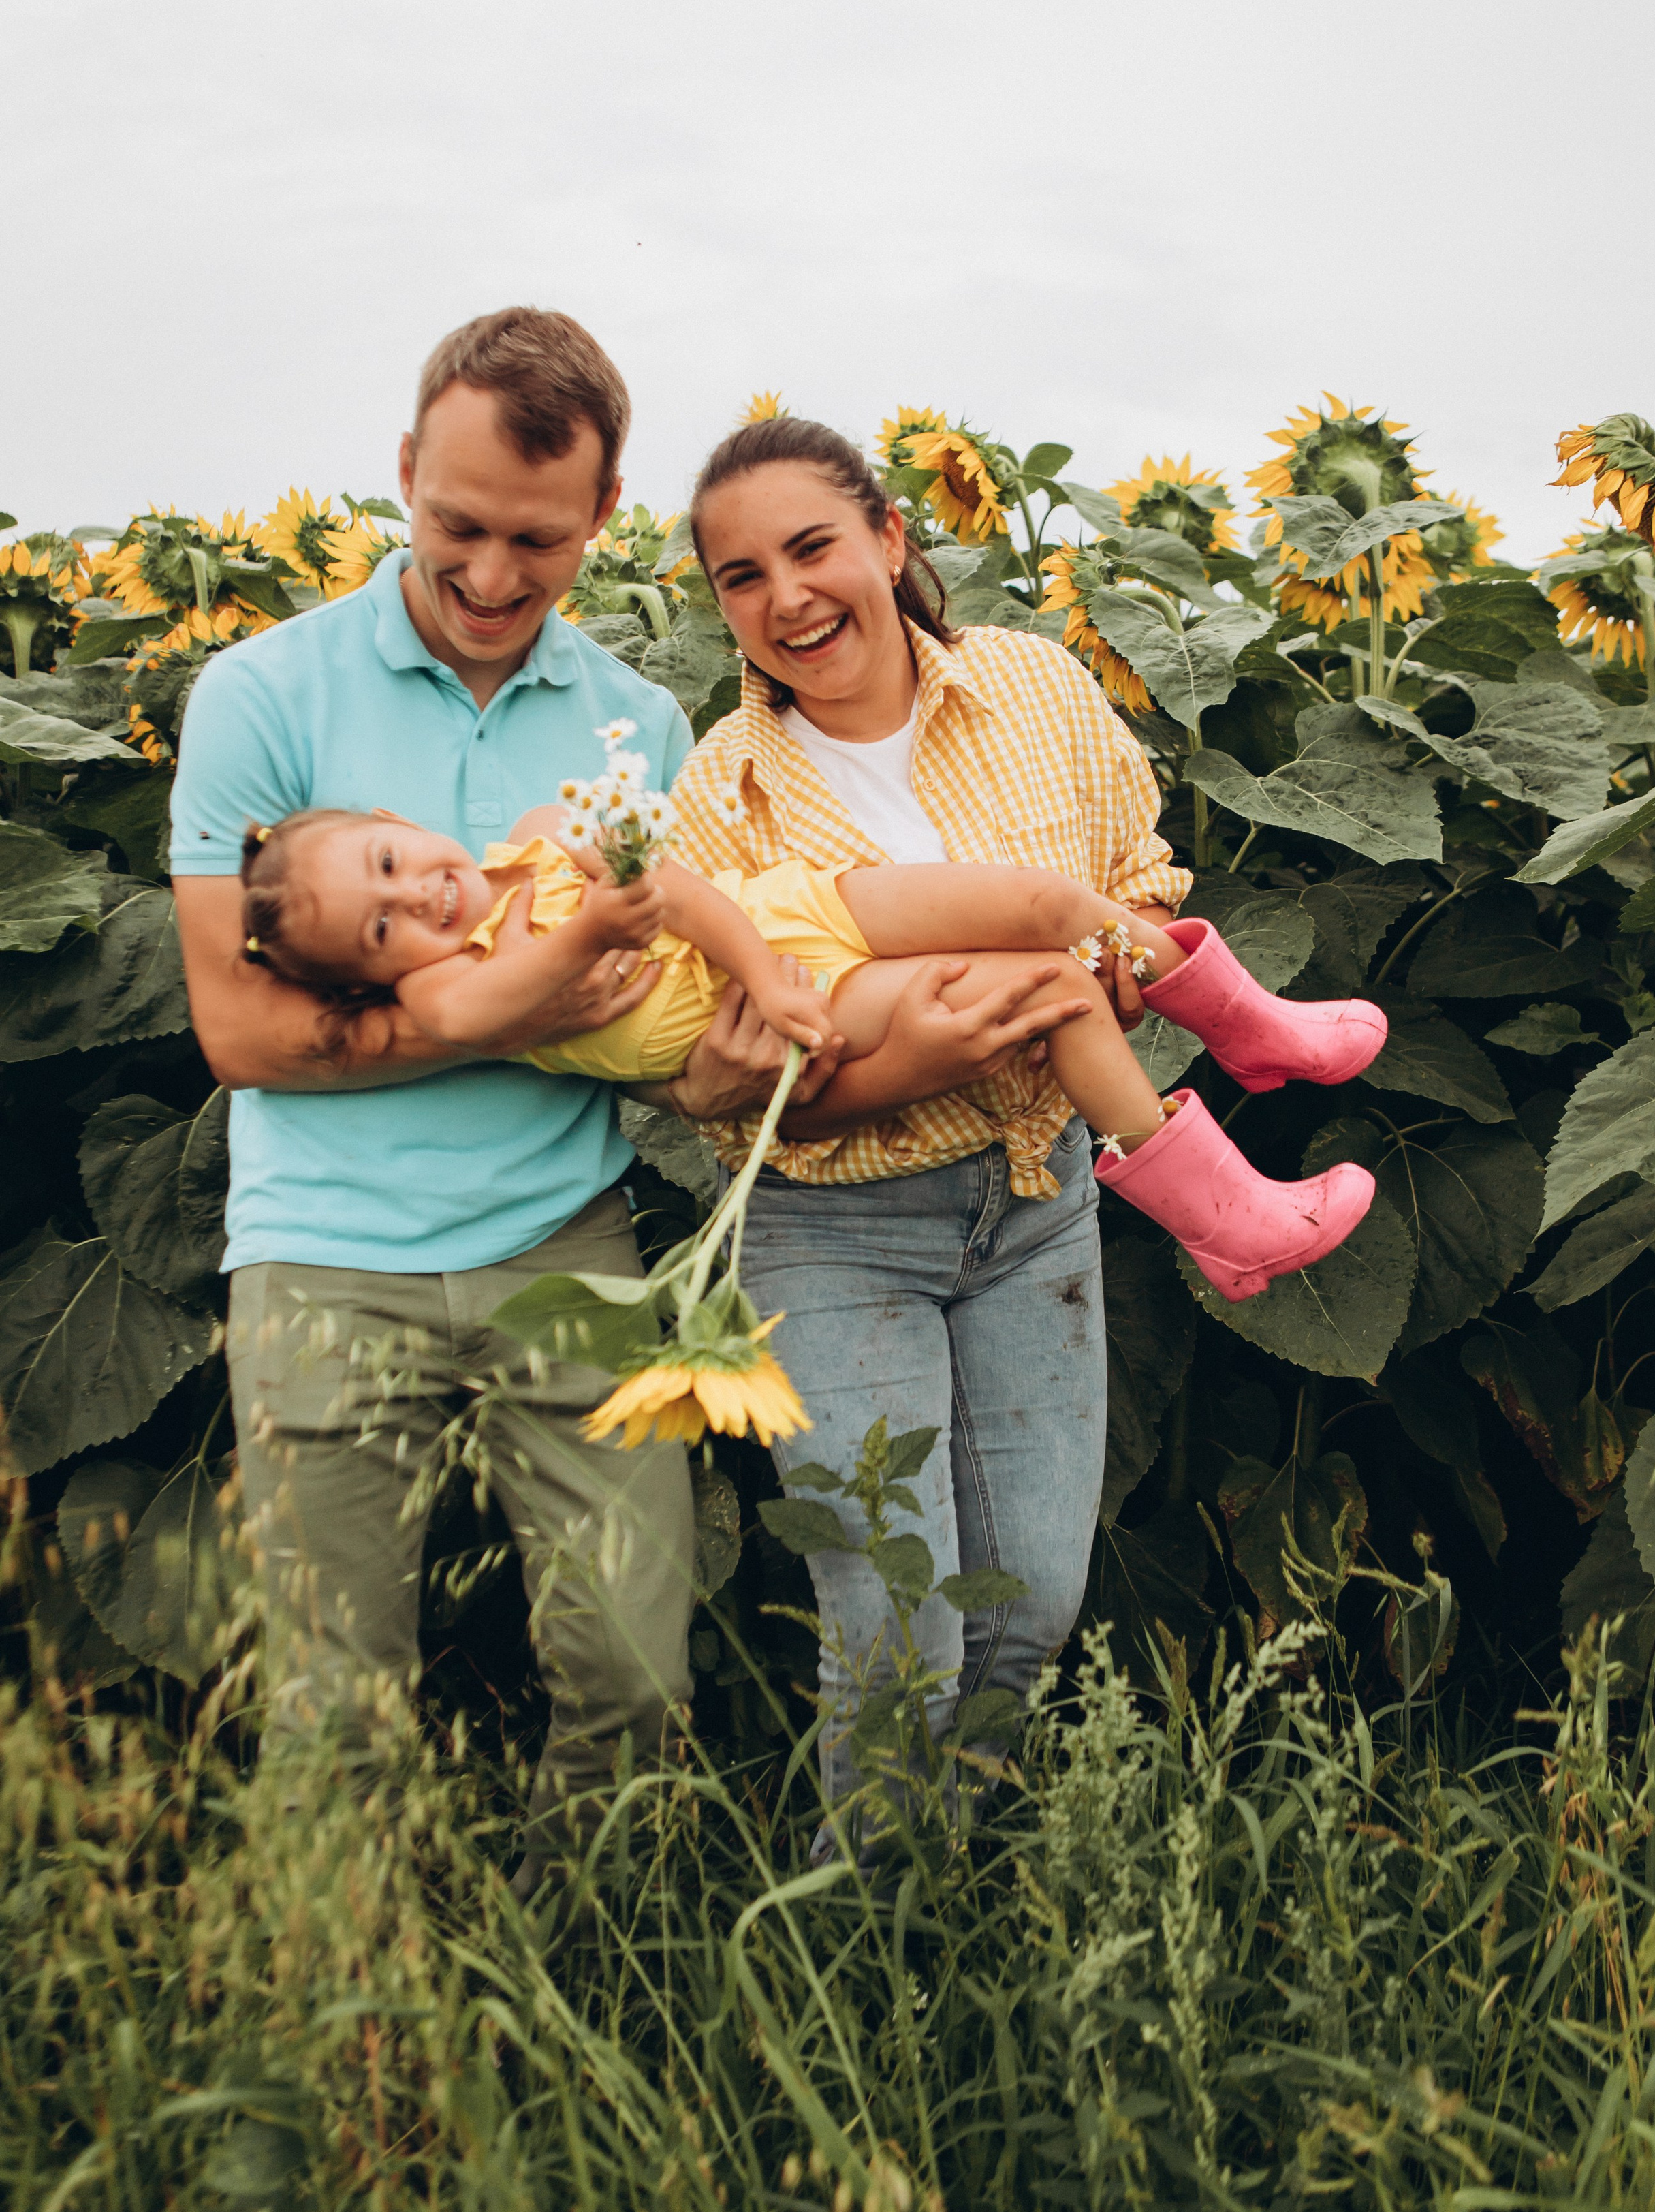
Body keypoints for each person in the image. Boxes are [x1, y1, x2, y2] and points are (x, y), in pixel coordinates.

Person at [168, 308, 833, 1883]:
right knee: (336, 1701)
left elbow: (654, 1025)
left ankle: (577, 2003)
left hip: (568, 1240)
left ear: (603, 518)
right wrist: (517, 1005)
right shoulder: (261, 694)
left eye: (534, 542)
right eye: (454, 524)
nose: (486, 575)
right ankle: (366, 2047)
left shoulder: (641, 724)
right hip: (321, 1252)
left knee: (632, 1673)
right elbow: (238, 1033)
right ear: (403, 471)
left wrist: (709, 1082)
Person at [630, 411, 1366, 1813]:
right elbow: (729, 1094)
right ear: (717, 604)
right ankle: (859, 1944)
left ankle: (943, 1913)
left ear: (889, 539)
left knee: (1026, 1606)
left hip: (1038, 1206)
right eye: (739, 576)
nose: (785, 597)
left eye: (811, 548)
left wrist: (1120, 969)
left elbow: (1132, 873)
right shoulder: (716, 798)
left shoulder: (1032, 688)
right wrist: (924, 1053)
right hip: (834, 1232)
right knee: (897, 1624)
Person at [227, 794, 1381, 1303]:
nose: (412, 899)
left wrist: (767, 968)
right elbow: (498, 1007)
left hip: (791, 922)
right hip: (812, 1012)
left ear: (396, 818)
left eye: (389, 860)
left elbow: (675, 889)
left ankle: (1252, 1026)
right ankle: (1225, 1225)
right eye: (377, 930)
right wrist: (592, 923)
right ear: (377, 975)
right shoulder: (446, 990)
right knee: (1051, 995)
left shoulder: (533, 834)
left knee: (1044, 904)